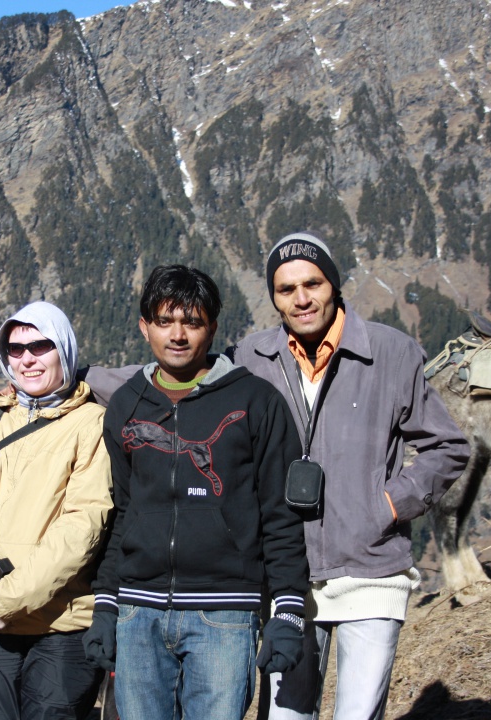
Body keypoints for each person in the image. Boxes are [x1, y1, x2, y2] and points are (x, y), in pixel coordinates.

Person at [233, 232, 470, 720]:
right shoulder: (252, 358)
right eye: (286, 289)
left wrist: (387, 506)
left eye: (313, 284)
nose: (301, 299)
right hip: (287, 578)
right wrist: (82, 375)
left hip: (371, 569)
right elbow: (179, 375)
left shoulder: (392, 352)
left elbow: (447, 446)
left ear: (334, 285)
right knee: (285, 717)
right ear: (274, 297)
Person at [84, 265, 310, 720]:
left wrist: (287, 609)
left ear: (212, 327)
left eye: (192, 322)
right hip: (138, 612)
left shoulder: (255, 401)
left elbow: (281, 516)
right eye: (164, 321)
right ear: (144, 326)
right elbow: (121, 512)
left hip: (224, 613)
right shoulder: (126, 405)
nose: (177, 335)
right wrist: (106, 605)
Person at [0, 300, 113, 720]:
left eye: (40, 346)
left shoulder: (92, 423)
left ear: (64, 350)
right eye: (15, 349)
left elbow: (82, 525)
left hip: (61, 624)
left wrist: (7, 597)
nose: (27, 358)